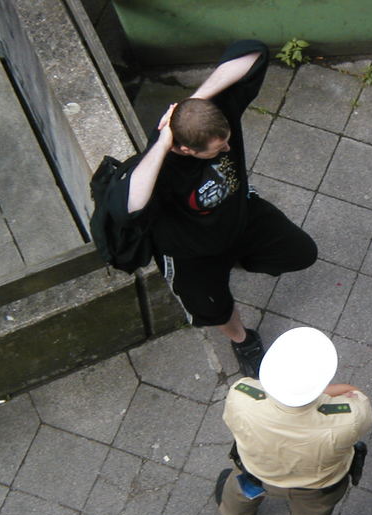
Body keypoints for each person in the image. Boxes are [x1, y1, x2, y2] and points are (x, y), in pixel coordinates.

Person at [120, 40, 317, 377]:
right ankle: (243, 341)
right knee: (214, 307)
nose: (227, 148)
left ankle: (233, 261)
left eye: (226, 141)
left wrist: (193, 100)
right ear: (185, 148)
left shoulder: (211, 117)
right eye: (217, 149)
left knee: (301, 253)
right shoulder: (160, 169)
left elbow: (253, 52)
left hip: (239, 217)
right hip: (190, 252)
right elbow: (131, 203)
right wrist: (162, 141)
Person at [215, 327, 372, 515]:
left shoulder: (241, 394)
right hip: (316, 487)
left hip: (255, 468)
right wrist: (329, 392)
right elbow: (355, 395)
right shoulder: (348, 418)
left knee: (238, 487)